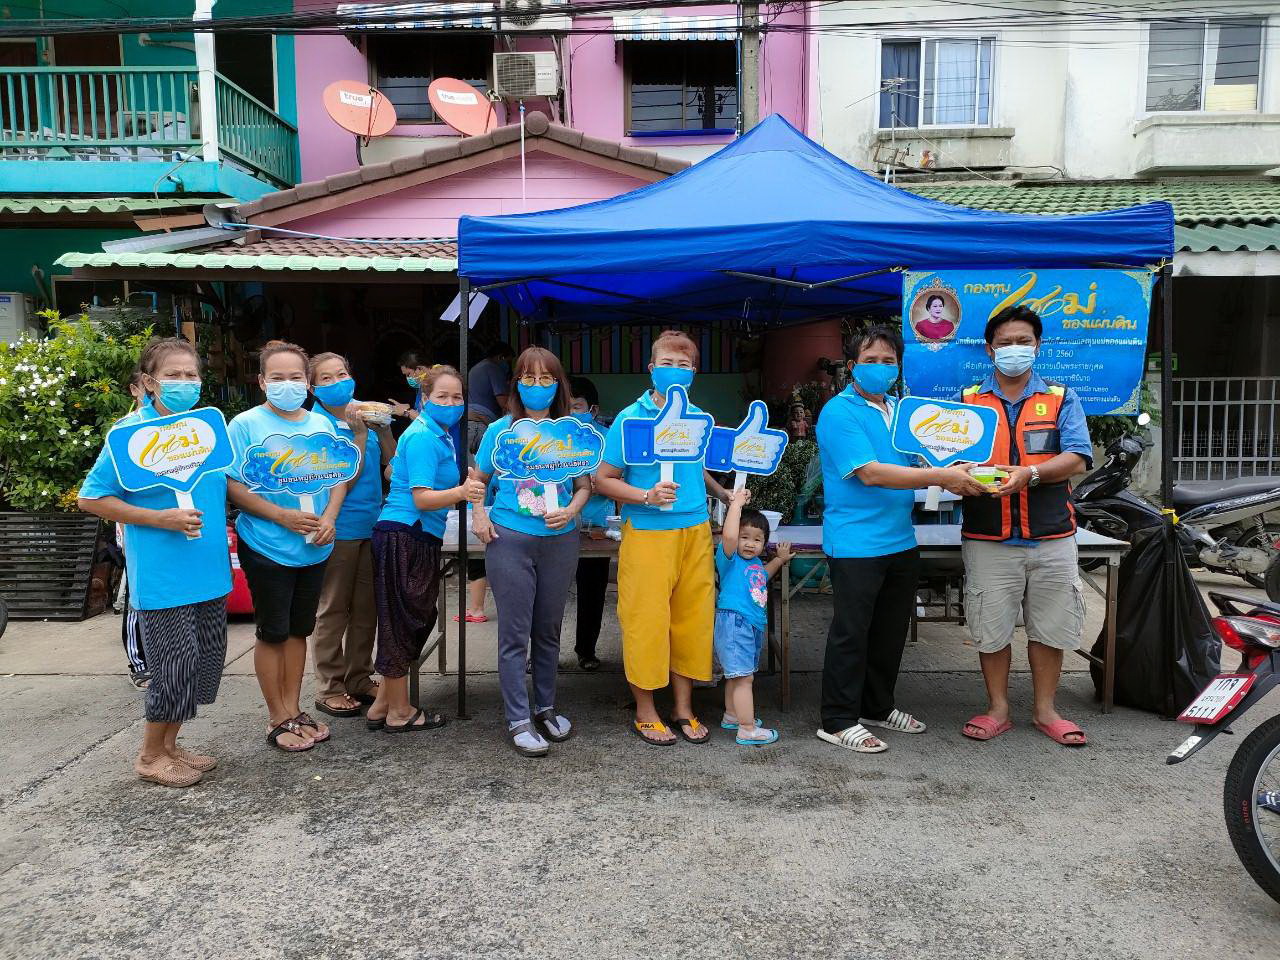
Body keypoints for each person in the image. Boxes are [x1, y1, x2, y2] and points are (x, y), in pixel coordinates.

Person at [815, 324, 988, 754]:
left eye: (888, 361)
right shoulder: (838, 412)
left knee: (890, 633)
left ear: (898, 366)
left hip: (900, 540)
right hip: (855, 544)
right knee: (851, 634)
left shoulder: (903, 411)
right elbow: (870, 473)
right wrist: (940, 477)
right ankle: (837, 720)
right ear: (852, 366)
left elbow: (927, 458)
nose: (880, 368)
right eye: (870, 360)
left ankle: (877, 706)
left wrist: (955, 466)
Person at [78, 337, 231, 787]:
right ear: (148, 382)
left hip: (209, 568)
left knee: (202, 664)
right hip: (164, 576)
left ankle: (170, 746)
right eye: (173, 375)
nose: (185, 382)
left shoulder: (206, 429)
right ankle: (149, 755)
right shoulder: (130, 436)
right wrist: (159, 518)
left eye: (191, 374)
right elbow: (91, 498)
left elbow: (227, 485)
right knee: (173, 667)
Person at [958, 305, 1093, 747]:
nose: (1014, 349)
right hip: (988, 537)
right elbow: (949, 458)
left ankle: (1046, 711)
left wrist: (1031, 473)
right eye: (1005, 343)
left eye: (1023, 341)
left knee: (1050, 628)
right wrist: (958, 474)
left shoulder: (1060, 397)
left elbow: (1078, 456)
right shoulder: (966, 402)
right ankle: (997, 709)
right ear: (989, 349)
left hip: (1051, 535)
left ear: (1038, 346)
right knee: (990, 627)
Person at [595, 330, 717, 746]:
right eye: (667, 364)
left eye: (684, 365)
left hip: (695, 529)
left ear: (694, 372)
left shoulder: (698, 417)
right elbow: (603, 479)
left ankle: (683, 707)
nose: (675, 371)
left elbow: (696, 466)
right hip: (648, 532)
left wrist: (722, 495)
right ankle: (645, 710)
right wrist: (645, 495)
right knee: (646, 622)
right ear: (651, 368)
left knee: (692, 621)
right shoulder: (631, 418)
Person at [227, 341, 347, 753]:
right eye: (277, 377)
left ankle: (294, 709)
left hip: (315, 546)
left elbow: (339, 476)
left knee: (300, 630)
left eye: (295, 377)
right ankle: (276, 716)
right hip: (267, 546)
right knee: (273, 631)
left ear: (308, 383)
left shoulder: (321, 424)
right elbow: (233, 485)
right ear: (262, 382)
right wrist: (281, 517)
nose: (287, 384)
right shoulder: (245, 425)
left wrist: (330, 517)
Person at [473, 348, 590, 757]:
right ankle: (517, 718)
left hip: (561, 540)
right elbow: (477, 480)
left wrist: (572, 512)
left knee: (548, 630)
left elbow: (584, 486)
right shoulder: (499, 431)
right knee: (514, 633)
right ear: (516, 384)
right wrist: (479, 514)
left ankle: (545, 707)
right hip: (510, 539)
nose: (536, 386)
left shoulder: (571, 432)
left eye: (545, 379)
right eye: (528, 378)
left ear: (558, 385)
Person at [368, 365, 485, 733]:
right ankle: (399, 712)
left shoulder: (436, 433)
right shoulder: (422, 436)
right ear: (424, 399)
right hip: (406, 534)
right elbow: (421, 498)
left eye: (457, 397)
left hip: (413, 536)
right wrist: (462, 492)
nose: (450, 403)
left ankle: (383, 704)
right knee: (403, 623)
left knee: (414, 619)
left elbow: (394, 473)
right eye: (442, 396)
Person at [308, 353, 397, 719]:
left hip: (370, 523)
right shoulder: (315, 425)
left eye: (342, 374)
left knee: (366, 608)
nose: (337, 382)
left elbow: (393, 467)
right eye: (326, 379)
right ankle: (330, 686)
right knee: (333, 609)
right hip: (336, 527)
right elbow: (346, 477)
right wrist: (359, 436)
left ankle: (359, 677)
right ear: (313, 388)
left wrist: (384, 431)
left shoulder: (363, 414)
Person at [715, 489, 793, 746]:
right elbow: (728, 535)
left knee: (737, 675)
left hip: (748, 624)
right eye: (744, 537)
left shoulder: (755, 564)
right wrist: (736, 505)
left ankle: (732, 715)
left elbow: (763, 576)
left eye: (757, 539)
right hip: (735, 623)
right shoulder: (729, 559)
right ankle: (747, 729)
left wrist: (779, 560)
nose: (750, 543)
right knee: (744, 678)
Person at [569, 375, 612, 671]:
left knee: (592, 591)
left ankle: (586, 651)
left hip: (597, 527)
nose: (570, 412)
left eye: (577, 406)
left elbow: (620, 476)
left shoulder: (608, 439)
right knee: (546, 595)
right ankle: (539, 655)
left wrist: (603, 484)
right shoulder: (549, 435)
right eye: (565, 406)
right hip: (556, 525)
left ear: (592, 410)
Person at [467, 341, 514, 452]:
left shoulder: (476, 368)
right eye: (508, 362)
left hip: (470, 423)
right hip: (481, 426)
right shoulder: (493, 368)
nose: (508, 366)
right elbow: (504, 403)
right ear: (501, 357)